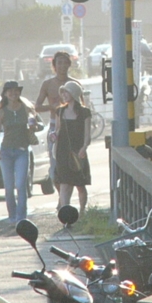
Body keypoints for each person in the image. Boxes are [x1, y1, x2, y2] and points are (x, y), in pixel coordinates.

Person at [0, 80, 37, 223]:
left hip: (22, 151)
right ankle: (12, 216)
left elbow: (33, 124)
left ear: (19, 92)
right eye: (10, 91)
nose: (13, 93)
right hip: (6, 151)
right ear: (5, 94)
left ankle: (21, 217)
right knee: (9, 186)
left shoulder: (26, 108)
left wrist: (32, 126)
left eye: (16, 90)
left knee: (20, 184)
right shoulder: (1, 111)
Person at [36, 51, 76, 192]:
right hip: (54, 127)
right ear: (54, 65)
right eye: (59, 63)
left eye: (65, 63)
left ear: (69, 65)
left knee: (71, 165)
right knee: (54, 167)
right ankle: (61, 196)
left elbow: (83, 107)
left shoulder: (74, 84)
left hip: (71, 126)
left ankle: (66, 200)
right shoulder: (48, 84)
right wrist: (51, 107)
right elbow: (37, 106)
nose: (62, 66)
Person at [54, 80, 92, 213]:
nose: (64, 94)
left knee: (80, 185)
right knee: (64, 184)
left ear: (74, 94)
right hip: (62, 151)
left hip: (78, 151)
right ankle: (65, 215)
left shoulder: (84, 112)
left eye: (67, 92)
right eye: (63, 92)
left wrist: (84, 147)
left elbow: (87, 134)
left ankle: (82, 211)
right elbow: (58, 130)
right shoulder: (60, 111)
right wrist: (54, 136)